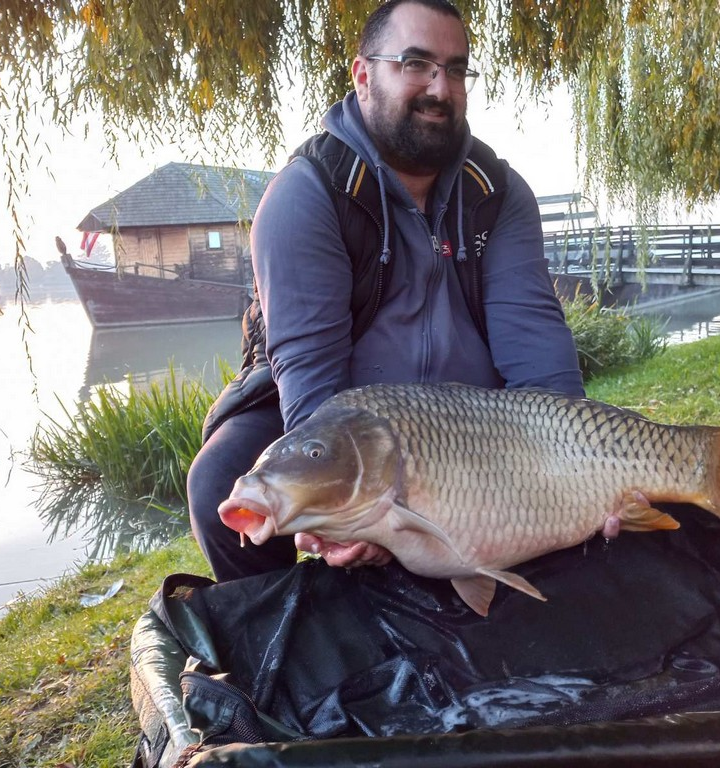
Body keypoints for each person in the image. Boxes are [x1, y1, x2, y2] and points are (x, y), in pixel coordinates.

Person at [187, 0, 585, 582]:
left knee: (577, 480)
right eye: (415, 64)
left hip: (472, 420)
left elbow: (540, 363)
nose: (439, 88)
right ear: (363, 75)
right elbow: (313, 389)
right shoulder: (308, 194)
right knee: (219, 479)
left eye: (455, 69)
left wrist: (578, 469)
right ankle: (296, 621)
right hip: (343, 412)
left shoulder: (497, 194)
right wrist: (357, 517)